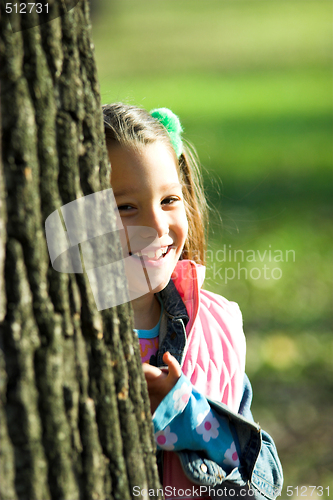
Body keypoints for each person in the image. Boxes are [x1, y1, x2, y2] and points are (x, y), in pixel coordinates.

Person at [102, 103, 283, 500]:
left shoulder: (216, 328)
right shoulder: (58, 338)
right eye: (126, 207)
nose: (157, 226)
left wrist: (193, 418)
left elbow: (264, 482)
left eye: (169, 200)